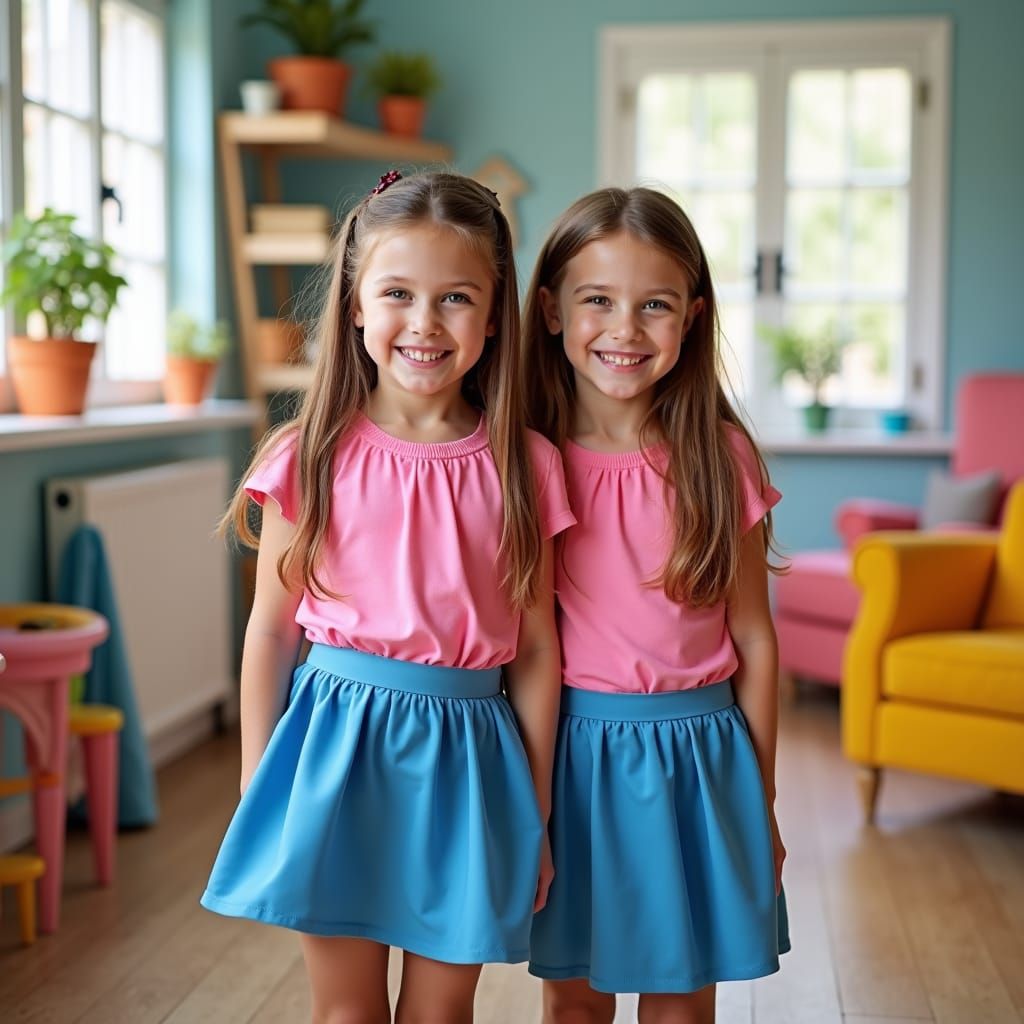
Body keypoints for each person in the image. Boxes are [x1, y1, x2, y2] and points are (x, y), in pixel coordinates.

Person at [201, 170, 574, 1023]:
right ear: (358, 304)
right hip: (334, 754)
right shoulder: (311, 455)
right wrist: (264, 787)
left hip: (471, 766)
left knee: (441, 1013)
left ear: (492, 312)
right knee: (348, 1011)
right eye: (398, 292)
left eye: (456, 298)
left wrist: (537, 812)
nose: (424, 322)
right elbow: (270, 633)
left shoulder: (527, 467)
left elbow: (540, 650)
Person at [523, 187, 790, 1023]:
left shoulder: (720, 454)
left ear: (693, 317)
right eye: (597, 300)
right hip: (571, 756)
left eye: (656, 306)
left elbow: (756, 638)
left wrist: (764, 800)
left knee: (681, 1001)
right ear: (552, 312)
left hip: (699, 762)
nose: (625, 330)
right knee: (574, 999)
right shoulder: (523, 457)